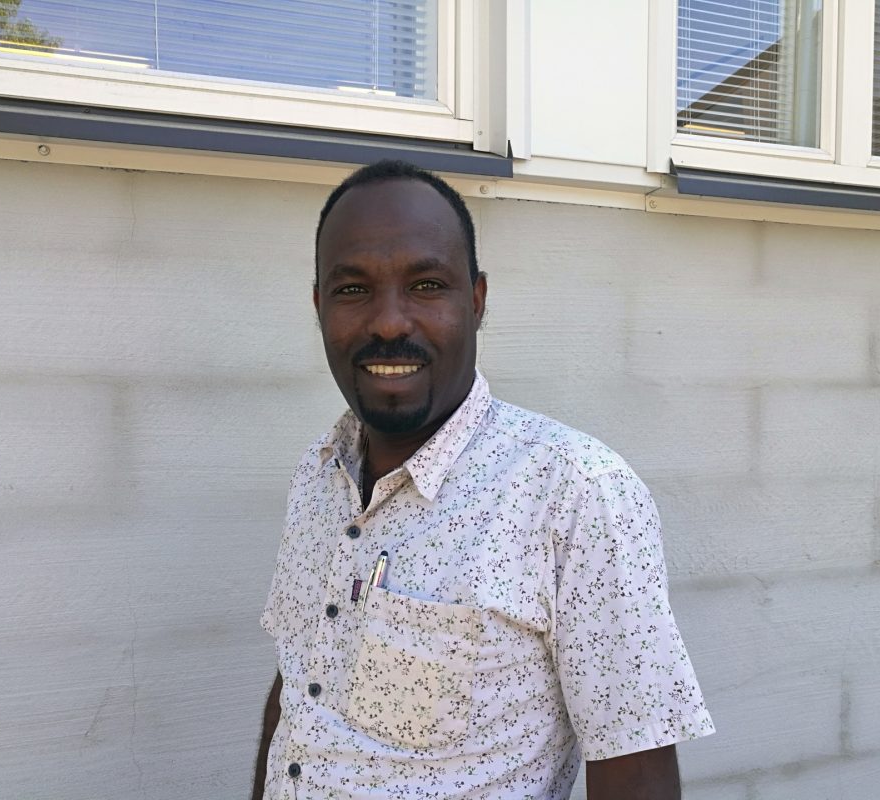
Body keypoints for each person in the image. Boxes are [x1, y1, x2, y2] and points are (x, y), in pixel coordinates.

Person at [253, 160, 714, 799]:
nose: (388, 322)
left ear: (476, 301)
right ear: (319, 306)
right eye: (353, 289)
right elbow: (302, 686)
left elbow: (635, 774)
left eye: (426, 285)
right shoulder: (319, 472)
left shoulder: (574, 493)